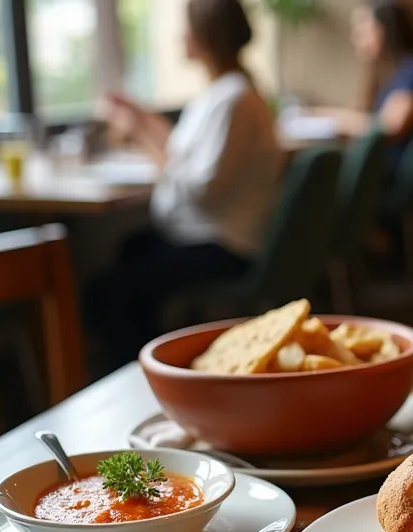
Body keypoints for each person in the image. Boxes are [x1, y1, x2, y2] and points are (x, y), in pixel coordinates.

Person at [86, 0, 284, 374]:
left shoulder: (233, 100)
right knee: (129, 249)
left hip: (227, 247)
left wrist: (140, 140)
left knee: (107, 293)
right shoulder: (226, 93)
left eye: (186, 27)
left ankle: (137, 375)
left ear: (205, 36)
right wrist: (142, 118)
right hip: (216, 236)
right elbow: (182, 151)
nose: (181, 36)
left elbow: (198, 189)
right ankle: (150, 362)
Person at [307, 1, 413, 175]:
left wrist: (337, 123)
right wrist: (326, 115)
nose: (356, 37)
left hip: (394, 177)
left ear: (385, 29)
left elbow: (390, 127)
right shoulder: (392, 74)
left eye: (363, 29)